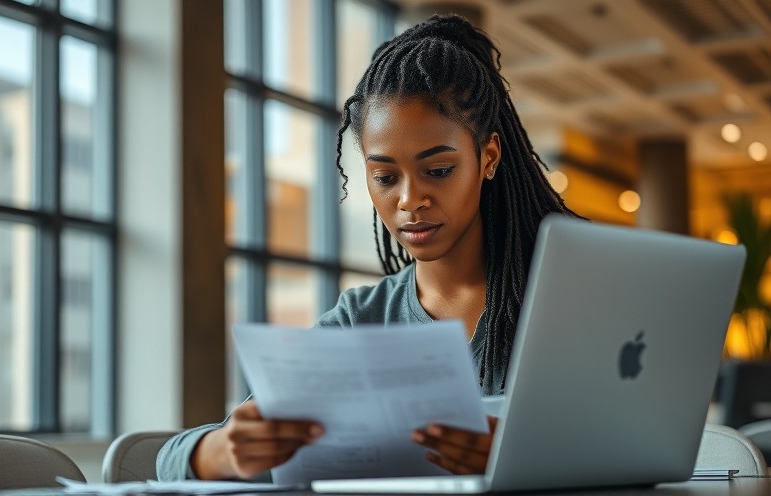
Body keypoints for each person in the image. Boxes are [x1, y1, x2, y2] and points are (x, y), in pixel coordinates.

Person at [157, 13, 581, 482]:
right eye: (384, 177)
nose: (408, 200)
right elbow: (170, 459)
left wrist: (523, 455)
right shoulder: (362, 320)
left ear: (489, 157)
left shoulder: (566, 299)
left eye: (437, 170)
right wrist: (223, 451)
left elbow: (666, 450)